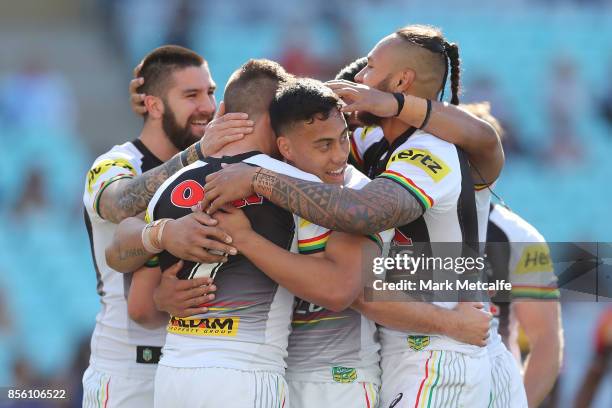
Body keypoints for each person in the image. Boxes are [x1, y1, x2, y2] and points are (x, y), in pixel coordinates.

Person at [201, 25, 500, 407]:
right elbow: (306, 139)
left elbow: (362, 213)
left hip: (439, 348)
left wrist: (258, 179)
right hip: (406, 348)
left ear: (401, 80)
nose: (359, 78)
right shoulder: (377, 144)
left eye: (370, 68)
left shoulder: (430, 151)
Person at [81, 45, 244, 407]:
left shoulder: (215, 165)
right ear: (153, 105)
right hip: (130, 369)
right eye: (191, 95)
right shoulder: (116, 162)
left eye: (210, 92)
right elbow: (118, 203)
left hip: (197, 365)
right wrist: (197, 153)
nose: (207, 105)